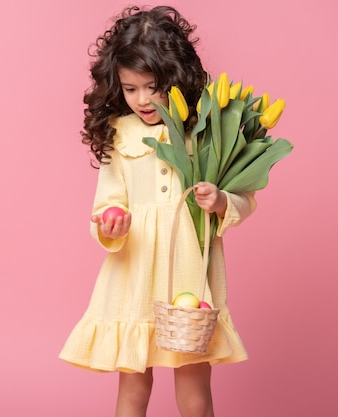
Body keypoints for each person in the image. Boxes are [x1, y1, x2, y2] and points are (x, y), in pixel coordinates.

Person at [58, 5, 257, 417]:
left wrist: (220, 200)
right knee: (133, 384)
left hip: (189, 274)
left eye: (152, 86)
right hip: (135, 274)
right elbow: (109, 202)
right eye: (130, 89)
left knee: (194, 385)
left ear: (177, 78)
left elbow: (244, 199)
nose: (142, 99)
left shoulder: (204, 130)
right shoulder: (120, 131)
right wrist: (112, 222)